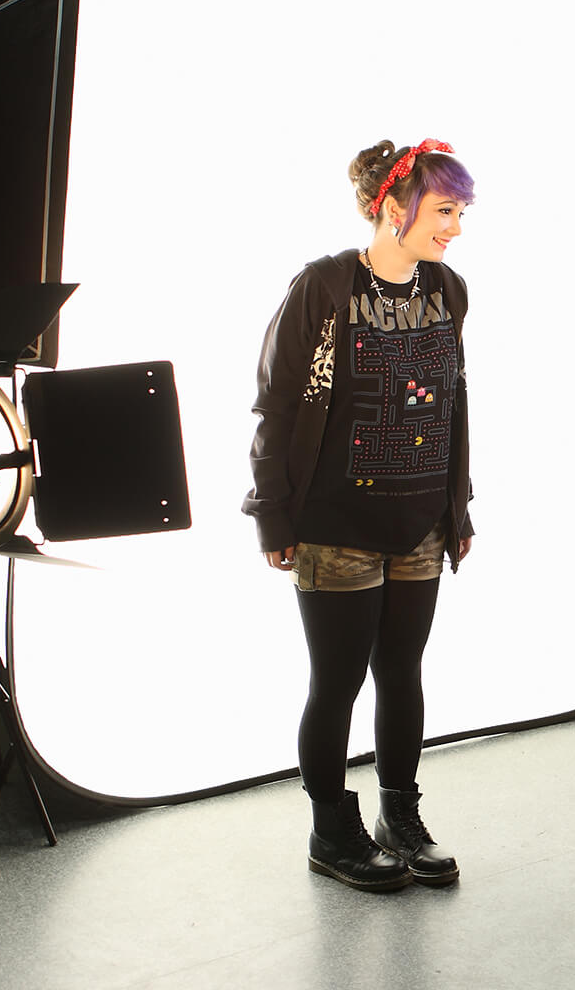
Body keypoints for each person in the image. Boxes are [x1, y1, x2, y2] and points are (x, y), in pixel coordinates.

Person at [242, 139, 476, 892]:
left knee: (402, 673)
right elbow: (277, 405)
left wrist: (457, 505)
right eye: (445, 211)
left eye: (460, 213)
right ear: (392, 207)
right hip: (334, 524)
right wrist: (271, 516)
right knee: (337, 682)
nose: (455, 228)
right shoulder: (324, 288)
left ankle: (398, 816)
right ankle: (329, 829)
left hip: (420, 521)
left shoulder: (448, 290)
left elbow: (452, 401)